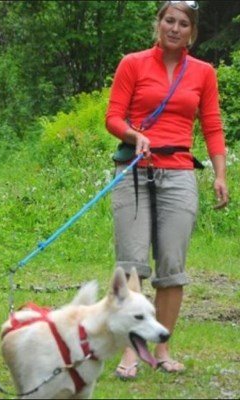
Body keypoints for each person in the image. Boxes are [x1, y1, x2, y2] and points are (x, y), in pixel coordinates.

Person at [105, 0, 229, 379]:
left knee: (172, 266)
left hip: (179, 172)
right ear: (158, 24)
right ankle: (129, 352)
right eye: (169, 21)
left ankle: (162, 349)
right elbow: (113, 117)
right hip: (134, 170)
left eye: (183, 24)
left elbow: (211, 126)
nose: (175, 28)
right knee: (131, 264)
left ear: (192, 31)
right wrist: (134, 134)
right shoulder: (133, 63)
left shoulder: (204, 72)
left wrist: (220, 175)